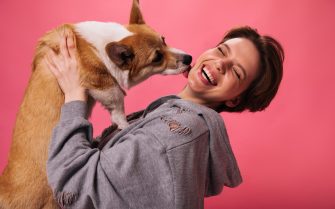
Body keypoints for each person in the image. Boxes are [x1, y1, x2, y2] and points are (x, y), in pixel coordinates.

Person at [44, 26, 284, 209]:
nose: (221, 63)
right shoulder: (173, 117)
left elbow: (74, 187)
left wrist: (74, 96)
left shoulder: (176, 133)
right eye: (222, 50)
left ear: (235, 100)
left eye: (237, 72)